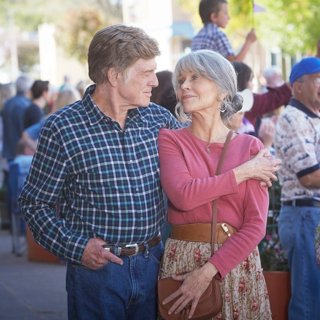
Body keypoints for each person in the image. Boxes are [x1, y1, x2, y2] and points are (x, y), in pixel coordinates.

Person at [19, 24, 183, 320]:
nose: (155, 82)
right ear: (114, 75)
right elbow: (34, 204)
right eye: (146, 72)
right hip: (97, 274)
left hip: (154, 264)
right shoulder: (63, 128)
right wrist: (77, 247)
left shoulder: (160, 120)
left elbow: (197, 166)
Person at [158, 50, 281, 319]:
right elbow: (183, 196)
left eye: (195, 77)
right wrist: (243, 173)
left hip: (236, 265)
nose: (184, 86)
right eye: (181, 80)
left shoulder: (251, 147)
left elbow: (256, 225)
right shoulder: (171, 140)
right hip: (182, 263)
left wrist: (209, 271)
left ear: (223, 90)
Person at [274, 56, 320, 320]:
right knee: (307, 300)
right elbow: (310, 177)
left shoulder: (313, 117)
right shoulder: (293, 119)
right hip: (304, 215)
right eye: (318, 79)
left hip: (311, 215)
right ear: (297, 86)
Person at [191, 0, 257, 62]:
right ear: (214, 16)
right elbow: (235, 63)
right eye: (225, 13)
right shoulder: (217, 35)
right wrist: (248, 41)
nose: (229, 17)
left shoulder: (197, 37)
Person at [21, 87, 81, 153]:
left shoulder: (51, 120)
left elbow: (26, 135)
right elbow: (26, 135)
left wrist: (41, 151)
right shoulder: (81, 122)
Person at [1, 74, 33, 163]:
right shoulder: (26, 105)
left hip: (8, 150)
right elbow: (25, 131)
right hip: (20, 153)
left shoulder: (8, 103)